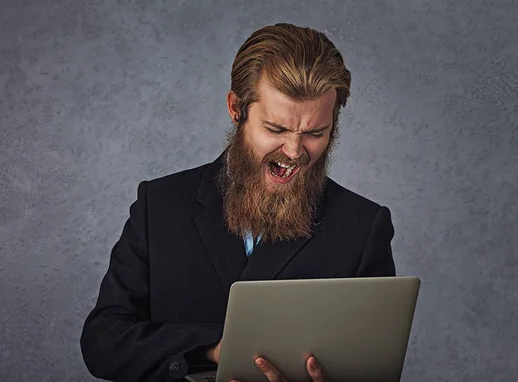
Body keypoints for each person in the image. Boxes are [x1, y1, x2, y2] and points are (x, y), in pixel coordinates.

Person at [80, 23, 396, 382]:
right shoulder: (160, 205)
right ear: (236, 108)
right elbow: (103, 342)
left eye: (314, 133)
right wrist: (213, 346)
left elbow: (376, 367)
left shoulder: (362, 225)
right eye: (276, 129)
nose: (293, 152)